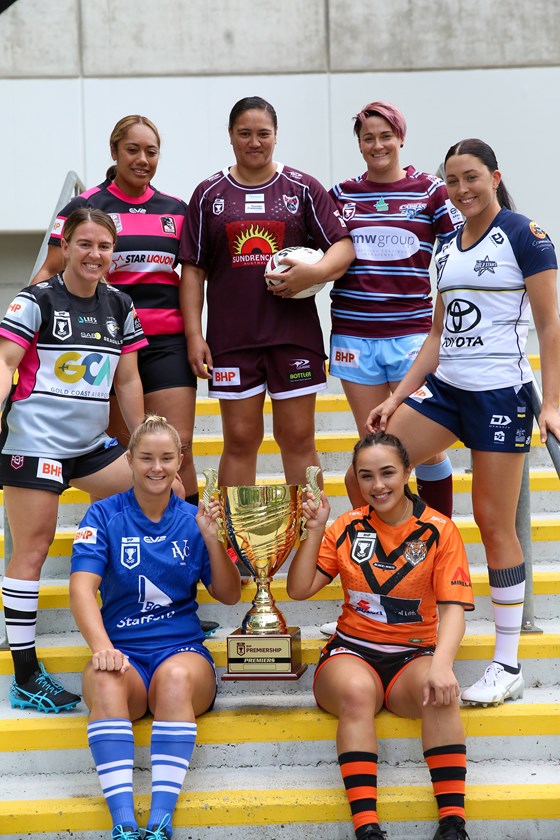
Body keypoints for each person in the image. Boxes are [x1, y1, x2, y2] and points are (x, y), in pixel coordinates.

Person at [366, 138, 560, 706]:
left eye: (471, 177)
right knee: (370, 469)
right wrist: (397, 396)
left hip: (500, 393)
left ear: (494, 177)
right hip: (447, 390)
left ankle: (507, 663)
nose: (461, 189)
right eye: (451, 180)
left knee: (494, 523)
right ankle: (399, 601)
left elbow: (550, 324)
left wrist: (551, 403)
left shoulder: (525, 235)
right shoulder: (446, 246)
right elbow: (436, 334)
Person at [287, 432, 473, 840]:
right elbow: (299, 589)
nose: (378, 485)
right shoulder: (346, 526)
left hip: (412, 655)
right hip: (351, 653)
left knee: (439, 692)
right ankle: (366, 828)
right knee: (357, 692)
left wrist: (442, 666)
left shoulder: (439, 530)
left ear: (408, 472)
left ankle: (453, 823)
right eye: (366, 476)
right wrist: (314, 529)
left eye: (388, 473)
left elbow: (453, 611)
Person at [1, 207, 147, 713]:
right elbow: (5, 361)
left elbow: (127, 379)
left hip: (90, 446)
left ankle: (160, 613)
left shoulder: (120, 304)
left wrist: (141, 441)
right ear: (64, 247)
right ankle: (25, 674)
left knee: (160, 493)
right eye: (84, 244)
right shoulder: (35, 300)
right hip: (35, 444)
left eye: (104, 246)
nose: (94, 254)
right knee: (33, 548)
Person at [69, 415, 241, 840]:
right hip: (123, 653)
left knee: (176, 678)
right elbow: (81, 589)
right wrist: (102, 647)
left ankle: (161, 820)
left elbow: (229, 595)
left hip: (180, 651)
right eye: (146, 458)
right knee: (106, 679)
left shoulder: (194, 519)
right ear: (129, 460)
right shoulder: (102, 514)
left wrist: (213, 538)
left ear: (181, 460)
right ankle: (123, 824)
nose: (157, 467)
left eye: (166, 458)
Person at [180, 95, 355, 488]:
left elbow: (343, 247)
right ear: (230, 136)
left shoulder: (302, 188)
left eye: (263, 133)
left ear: (276, 136)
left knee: (297, 437)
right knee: (240, 440)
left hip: (292, 338)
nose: (254, 142)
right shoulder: (209, 194)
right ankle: (237, 529)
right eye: (245, 133)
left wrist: (313, 274)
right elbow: (193, 270)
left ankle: (308, 527)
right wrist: (194, 335)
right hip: (232, 340)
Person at [32, 114, 199, 504]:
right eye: (132, 149)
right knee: (121, 452)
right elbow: (51, 270)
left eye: (151, 151)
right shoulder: (87, 205)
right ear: (114, 151)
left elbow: (192, 278)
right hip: (106, 344)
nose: (142, 159)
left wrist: (196, 336)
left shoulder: (177, 209)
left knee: (179, 446)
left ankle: (186, 534)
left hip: (166, 343)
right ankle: (119, 535)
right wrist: (25, 323)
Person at [329, 101, 463, 517]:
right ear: (359, 144)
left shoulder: (430, 190)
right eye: (368, 138)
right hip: (354, 337)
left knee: (422, 447)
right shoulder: (341, 195)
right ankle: (385, 538)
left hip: (412, 335)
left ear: (401, 137)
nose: (378, 145)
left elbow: (462, 248)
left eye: (386, 136)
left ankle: (436, 535)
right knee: (374, 448)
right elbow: (324, 256)